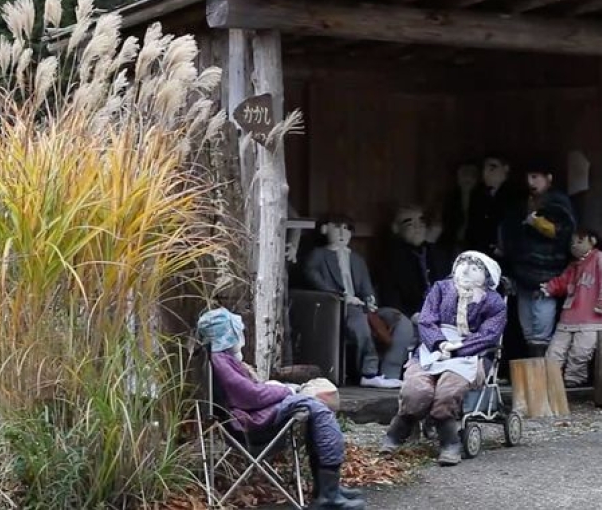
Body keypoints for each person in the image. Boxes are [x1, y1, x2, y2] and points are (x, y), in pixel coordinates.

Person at [197, 308, 364, 509]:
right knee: (318, 409)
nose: (241, 337)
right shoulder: (221, 362)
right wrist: (285, 391)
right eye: (238, 332)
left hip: (248, 417)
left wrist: (278, 389)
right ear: (227, 334)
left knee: (314, 410)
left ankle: (327, 488)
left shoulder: (220, 359)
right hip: (249, 423)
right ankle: (327, 494)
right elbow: (251, 396)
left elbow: (247, 393)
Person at [380, 251, 507, 466]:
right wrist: (440, 343)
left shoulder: (493, 302)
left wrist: (459, 349)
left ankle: (450, 442)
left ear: (486, 277)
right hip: (433, 348)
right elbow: (427, 320)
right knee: (416, 390)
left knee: (447, 392)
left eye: (475, 269)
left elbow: (489, 335)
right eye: (463, 265)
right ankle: (395, 434)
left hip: (470, 354)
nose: (466, 271)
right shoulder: (440, 289)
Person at [304, 216, 416, 389]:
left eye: (347, 229)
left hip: (363, 307)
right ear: (325, 230)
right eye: (337, 228)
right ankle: (368, 372)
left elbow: (366, 287)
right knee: (360, 323)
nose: (342, 233)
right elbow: (314, 279)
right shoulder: (319, 255)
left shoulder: (356, 259)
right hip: (338, 307)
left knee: (401, 321)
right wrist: (343, 297)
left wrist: (370, 301)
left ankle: (389, 372)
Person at [503, 159, 575, 356]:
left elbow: (564, 232)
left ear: (548, 178)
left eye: (535, 177)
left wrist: (537, 222)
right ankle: (529, 369)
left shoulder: (558, 202)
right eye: (528, 177)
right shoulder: (522, 202)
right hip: (523, 272)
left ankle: (540, 369)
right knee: (526, 326)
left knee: (542, 327)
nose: (530, 181)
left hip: (548, 272)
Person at [542, 229, 602, 387]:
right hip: (568, 316)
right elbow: (562, 282)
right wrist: (550, 287)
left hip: (591, 317)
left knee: (581, 352)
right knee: (555, 350)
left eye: (579, 241)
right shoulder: (573, 266)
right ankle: (550, 378)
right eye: (572, 242)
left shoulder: (600, 258)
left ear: (592, 240)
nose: (574, 245)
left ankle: (573, 380)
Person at [379, 205, 448, 321]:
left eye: (421, 221)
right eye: (409, 223)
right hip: (412, 315)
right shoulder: (391, 257)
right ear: (396, 228)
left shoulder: (435, 253)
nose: (418, 227)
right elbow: (390, 295)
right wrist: (412, 315)